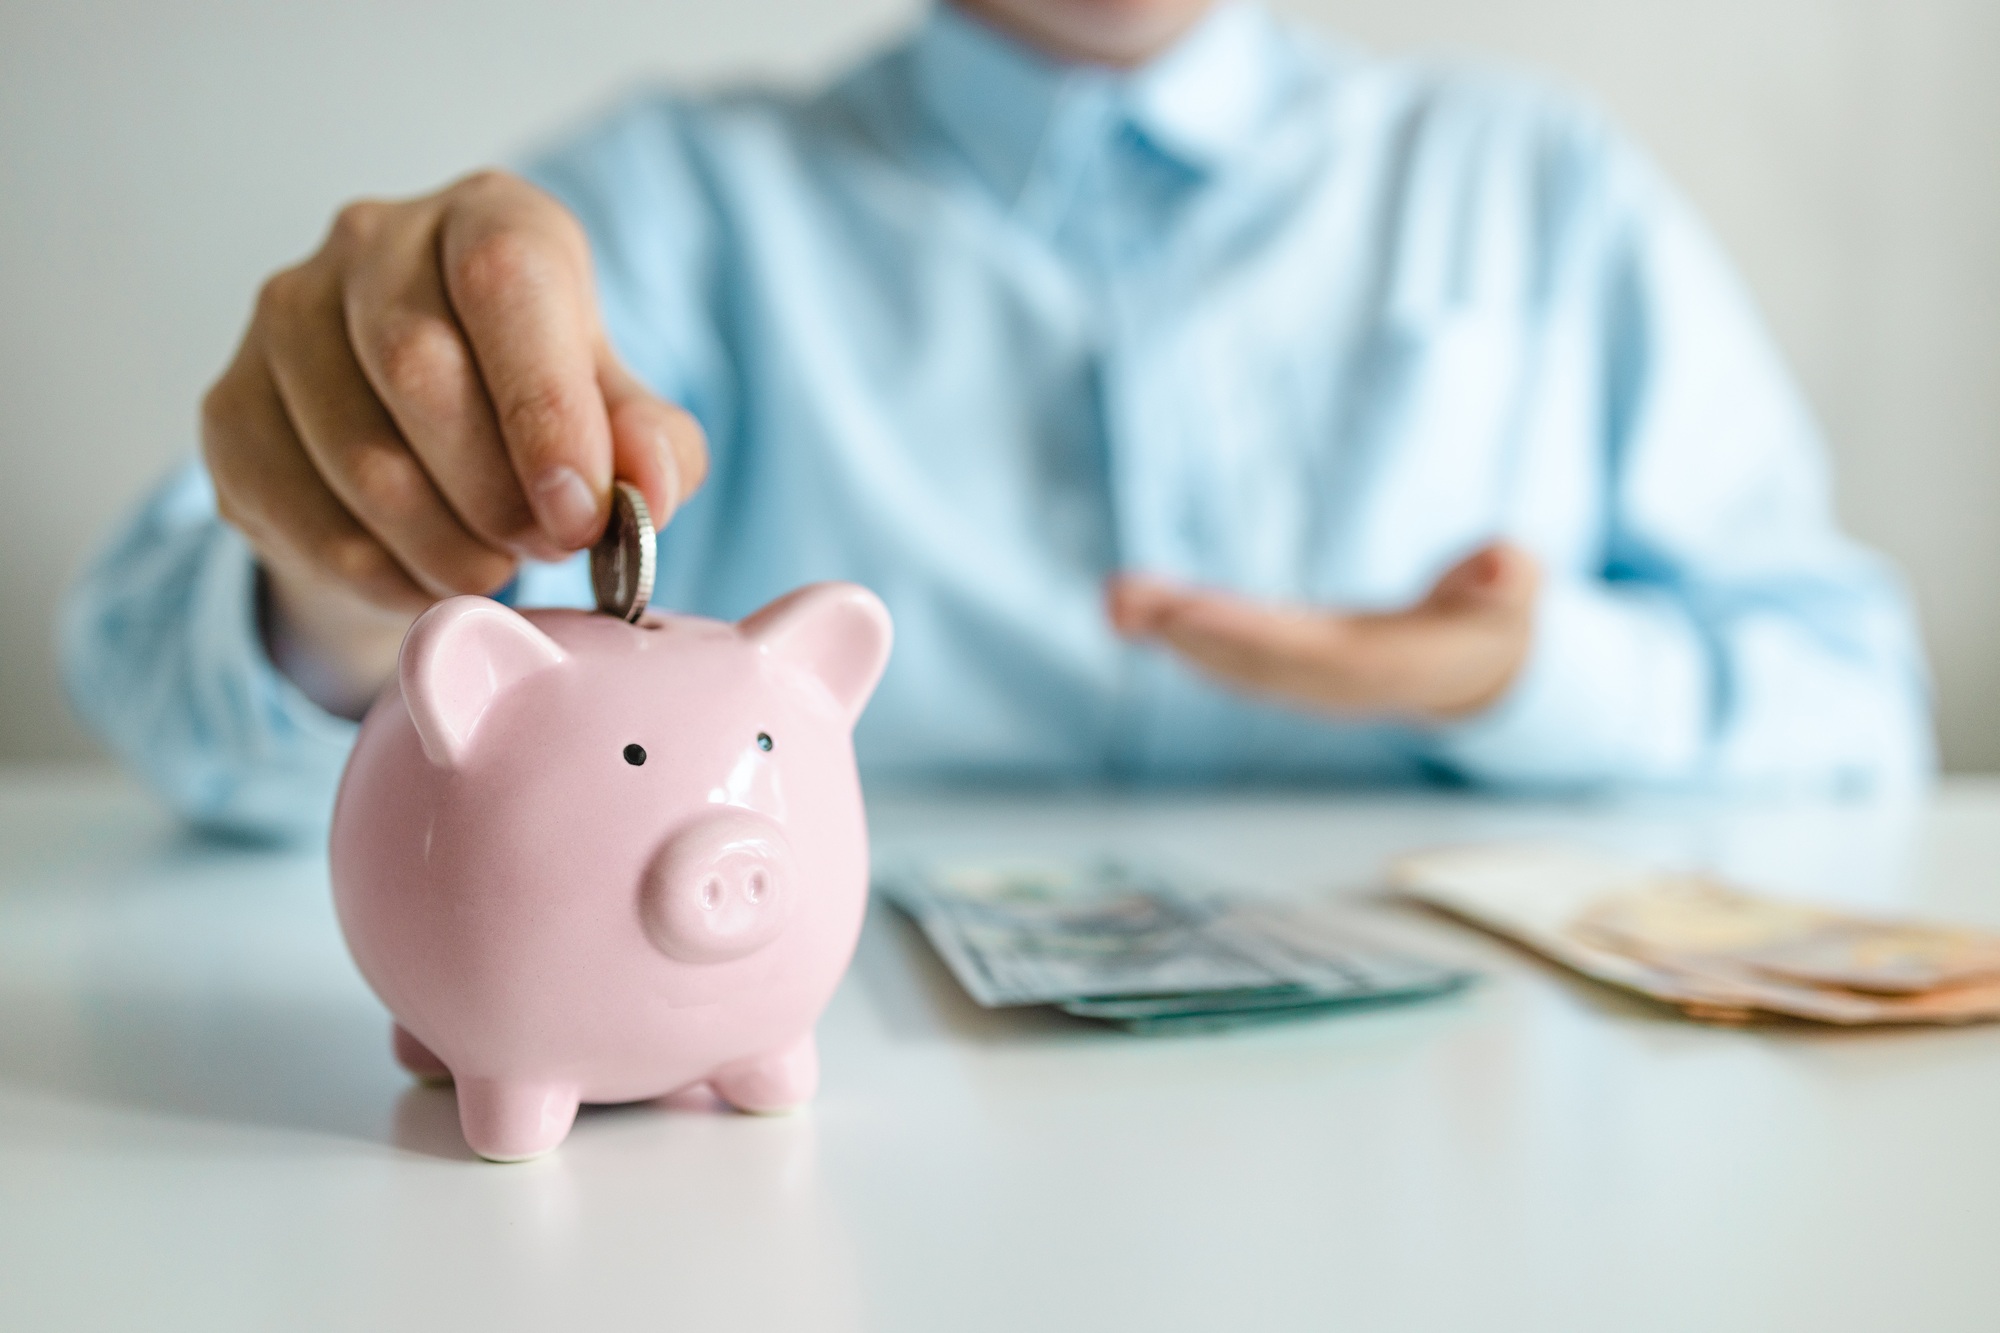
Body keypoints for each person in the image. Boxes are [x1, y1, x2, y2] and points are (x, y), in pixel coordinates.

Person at [61, 0, 1933, 841]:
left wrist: (1531, 678)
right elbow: (157, 692)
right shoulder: (679, 199)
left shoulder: (1538, 182)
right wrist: (358, 576)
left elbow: (1861, 714)